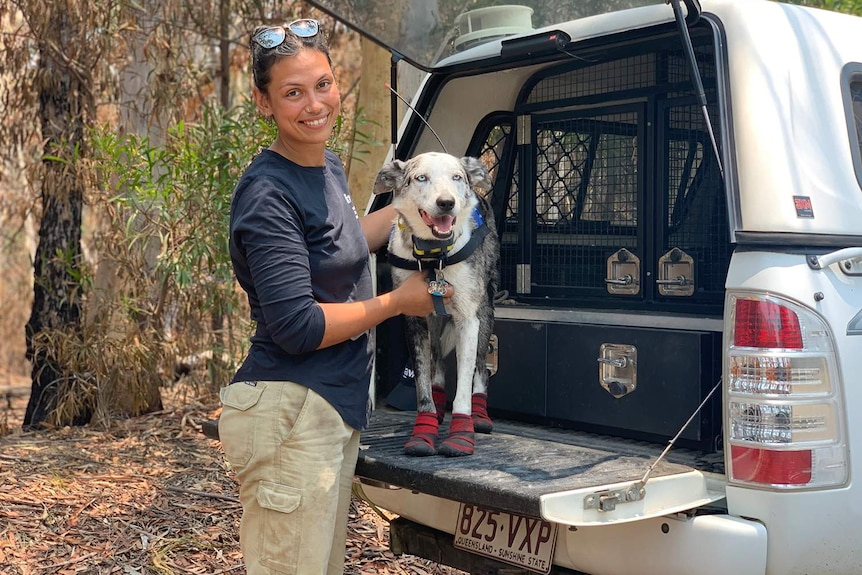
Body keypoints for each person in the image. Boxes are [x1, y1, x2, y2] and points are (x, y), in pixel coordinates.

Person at [218, 19, 447, 575]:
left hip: (326, 408)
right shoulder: (268, 193)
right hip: (290, 409)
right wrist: (397, 303)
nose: (314, 104)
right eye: (292, 93)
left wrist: (422, 202)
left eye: (322, 84)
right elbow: (298, 326)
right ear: (263, 102)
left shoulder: (324, 164)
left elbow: (343, 242)